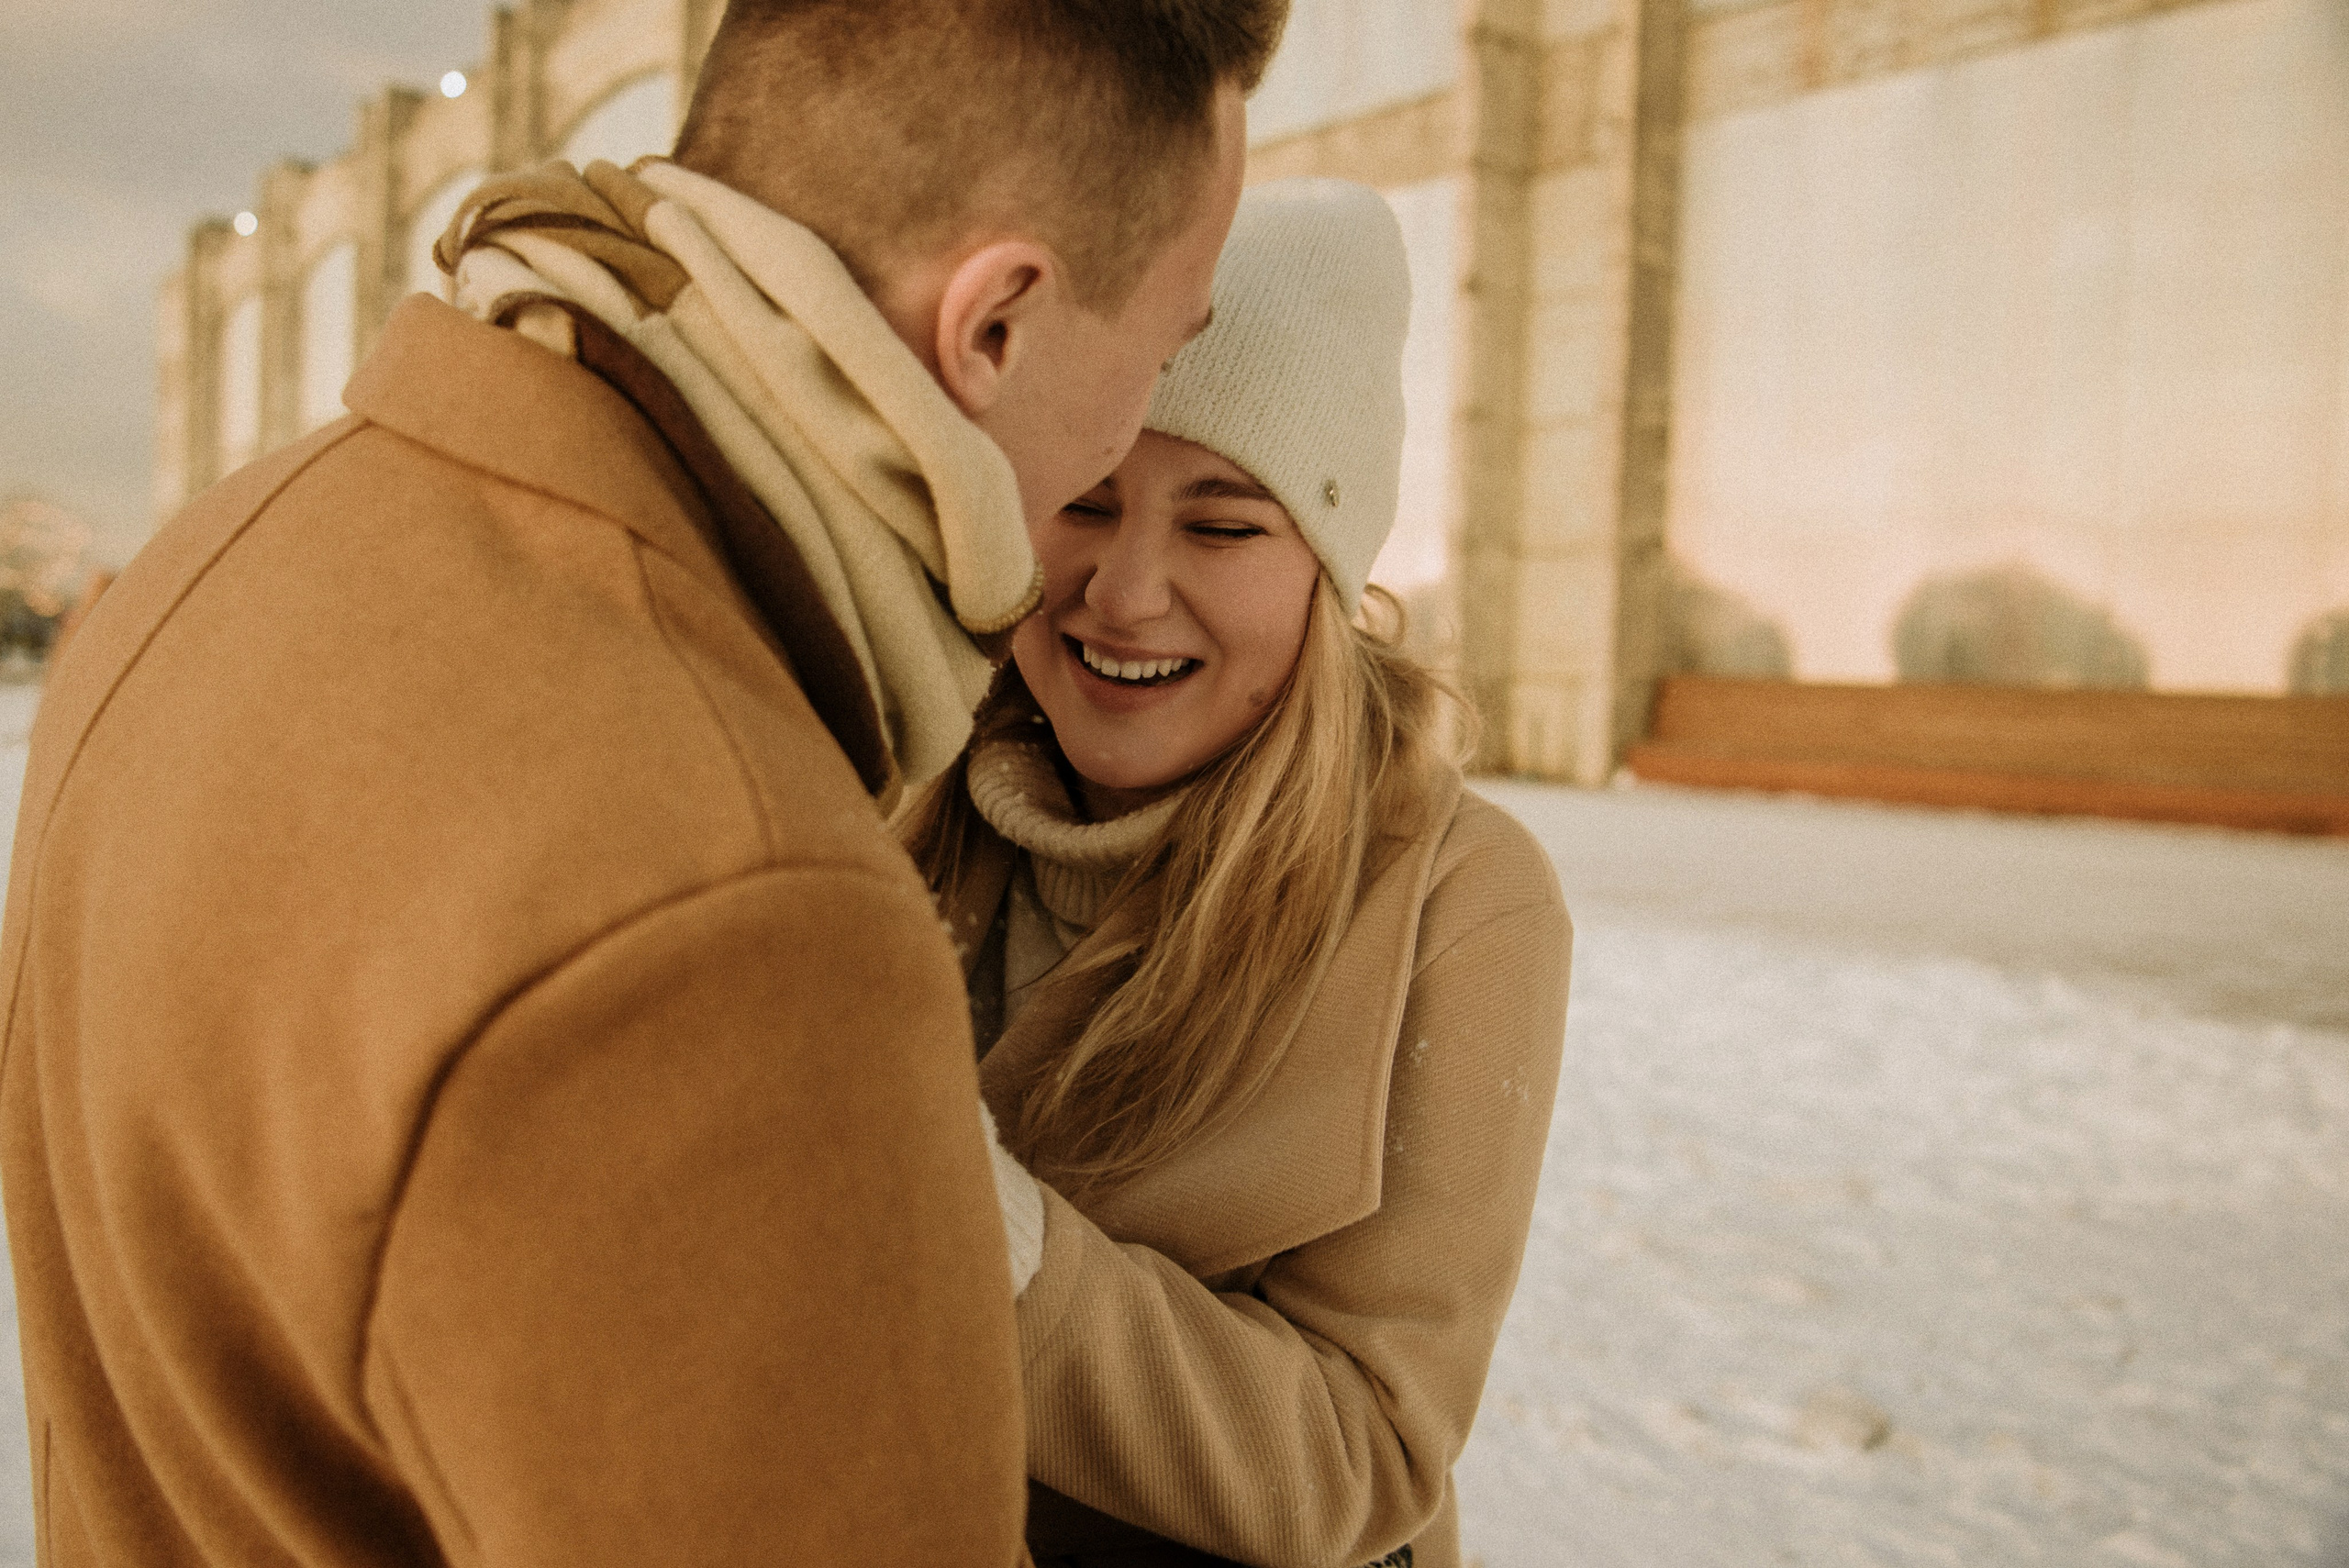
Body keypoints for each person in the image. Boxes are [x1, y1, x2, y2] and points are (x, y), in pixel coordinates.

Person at [0, 2, 1283, 1562]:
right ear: (996, 326)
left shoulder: (217, 560)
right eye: (1164, 349)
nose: (1137, 429)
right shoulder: (735, 915)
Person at [900, 180, 1573, 1568]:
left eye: (1222, 526)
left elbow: (1360, 1458)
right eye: (1084, 502)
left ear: (1330, 570)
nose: (1124, 591)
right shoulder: (902, 789)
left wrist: (975, 1227)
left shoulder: (1452, 901)